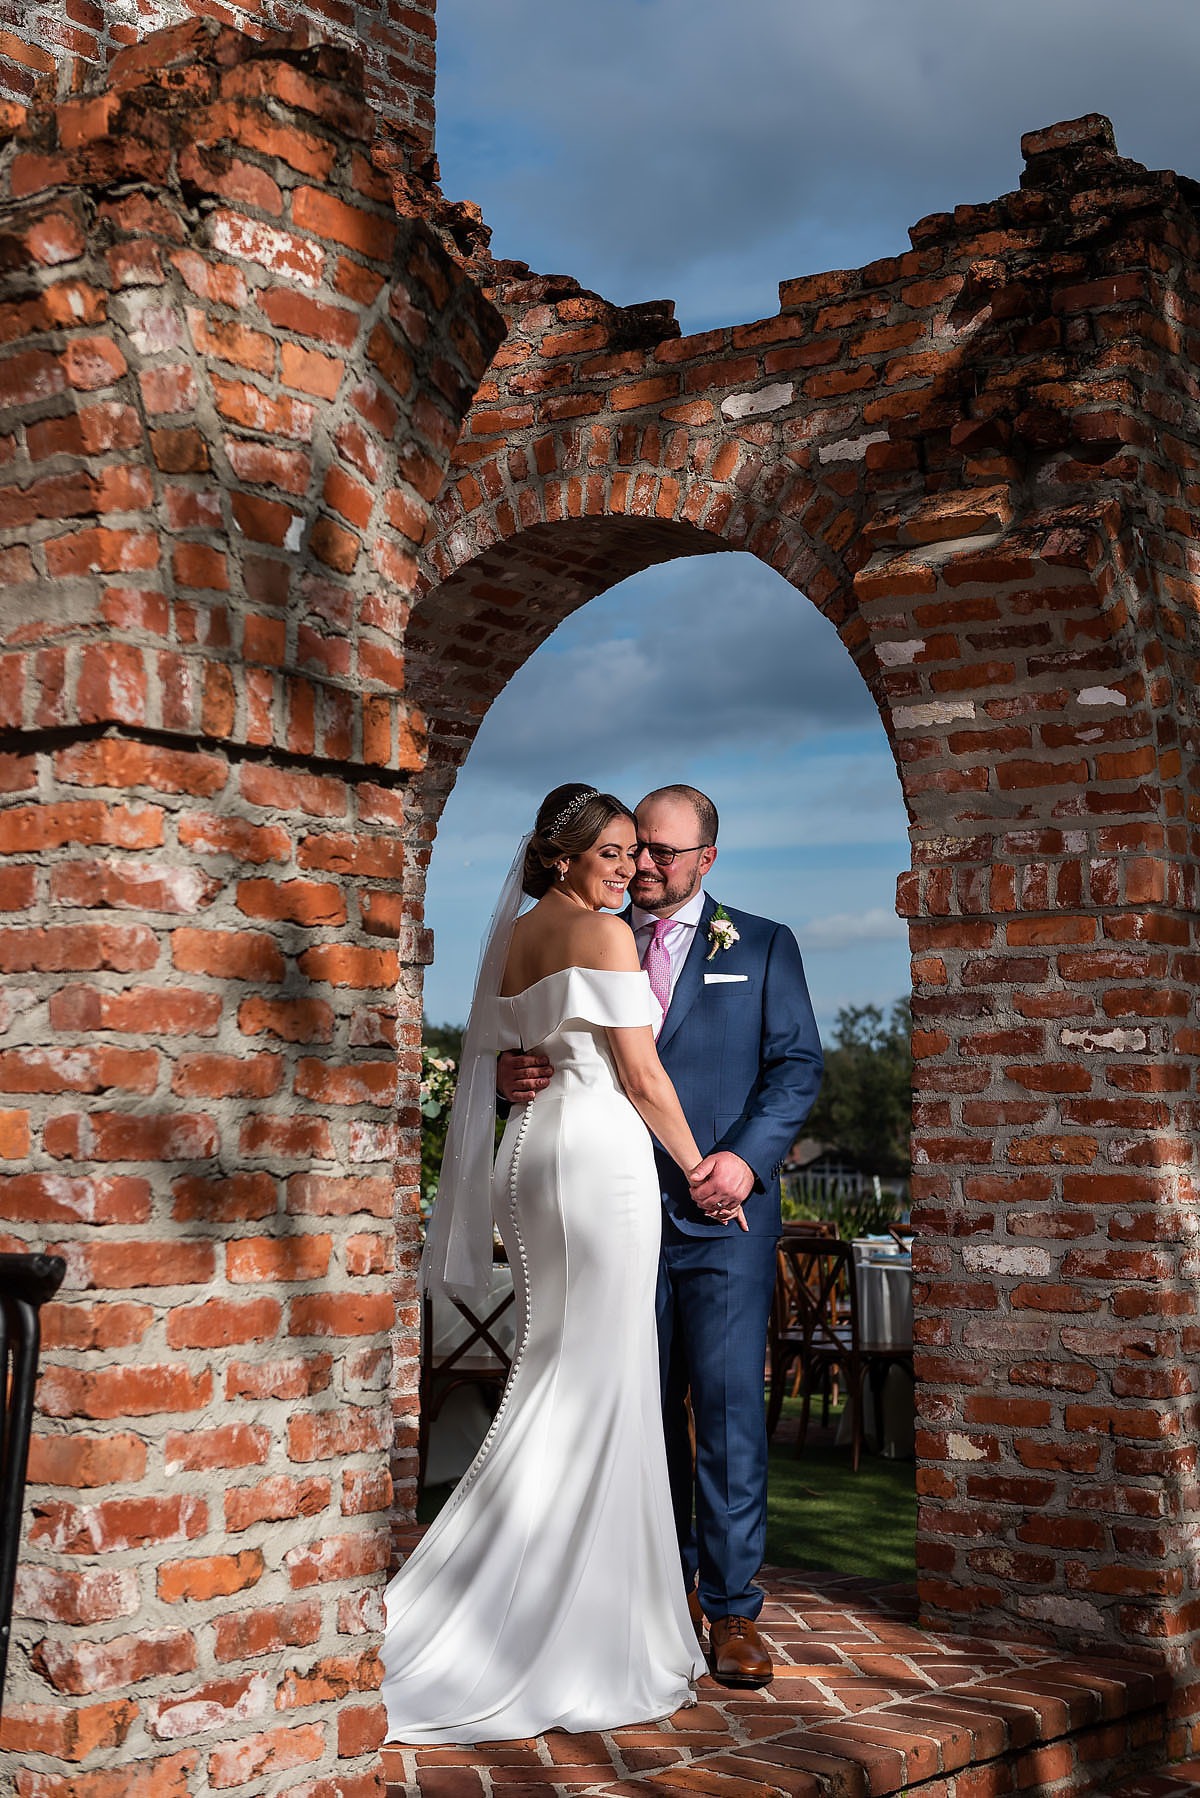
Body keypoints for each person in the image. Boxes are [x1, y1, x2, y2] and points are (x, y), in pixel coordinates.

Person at [381, 783, 710, 1745]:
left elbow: (499, 1050)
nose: (628, 871)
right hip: (598, 1160)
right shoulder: (602, 936)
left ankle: (529, 1596)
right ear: (564, 858)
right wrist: (699, 1173)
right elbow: (641, 1074)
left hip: (531, 1154)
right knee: (595, 1379)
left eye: (633, 857)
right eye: (609, 854)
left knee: (556, 1371)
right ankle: (575, 1628)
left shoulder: (515, 935)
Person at [500, 785, 822, 1688]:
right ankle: (651, 1592)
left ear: (707, 861)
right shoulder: (589, 926)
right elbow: (543, 1038)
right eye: (637, 848)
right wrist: (510, 1066)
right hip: (613, 1204)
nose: (645, 865)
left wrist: (746, 1164)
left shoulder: (759, 944)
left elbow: (796, 1066)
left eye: (666, 854)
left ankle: (731, 1611)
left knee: (724, 1409)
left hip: (722, 1213)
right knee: (635, 1404)